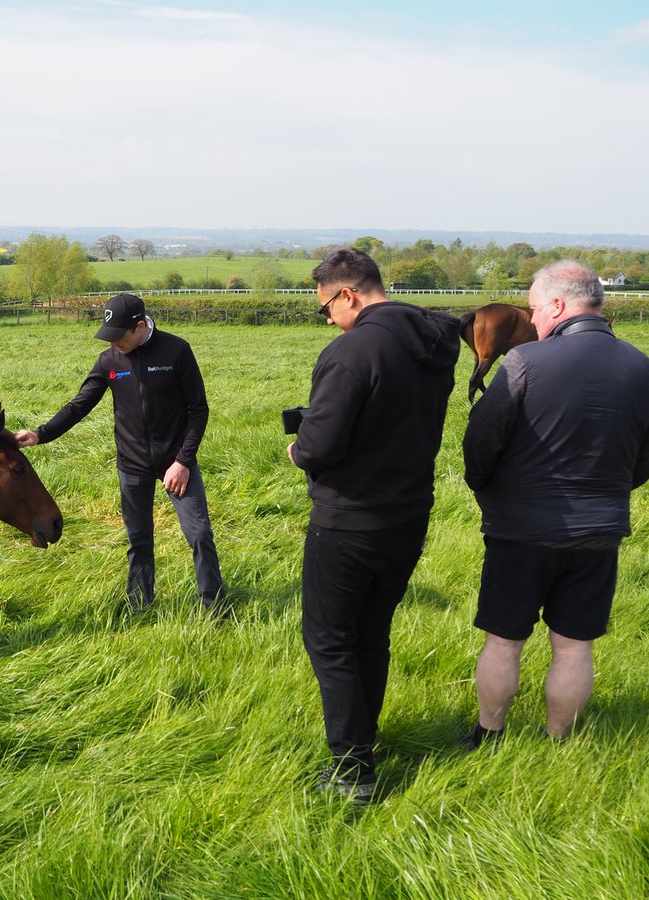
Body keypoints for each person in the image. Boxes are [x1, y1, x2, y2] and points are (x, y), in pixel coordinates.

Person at [462, 260, 649, 747]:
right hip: (599, 530)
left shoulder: (523, 363)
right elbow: (647, 459)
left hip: (519, 530)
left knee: (504, 639)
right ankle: (560, 743)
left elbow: (480, 445)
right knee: (575, 646)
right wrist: (606, 492)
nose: (531, 321)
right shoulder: (646, 370)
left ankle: (487, 735)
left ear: (557, 304)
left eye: (534, 309)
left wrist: (489, 491)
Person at [286, 248, 459, 803]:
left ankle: (352, 771)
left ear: (348, 294)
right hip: (408, 514)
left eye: (325, 308)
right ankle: (365, 741)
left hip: (349, 518)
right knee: (371, 634)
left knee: (330, 639)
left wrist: (296, 447)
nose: (327, 319)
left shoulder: (351, 351)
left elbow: (319, 447)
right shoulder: (437, 341)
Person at [15, 293, 226, 614]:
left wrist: (183, 461)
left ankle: (215, 607)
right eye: (108, 336)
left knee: (199, 534)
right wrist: (41, 433)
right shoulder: (109, 361)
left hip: (176, 462)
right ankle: (140, 606)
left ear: (140, 326)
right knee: (139, 540)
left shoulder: (176, 351)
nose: (113, 343)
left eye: (119, 336)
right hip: (132, 466)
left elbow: (199, 410)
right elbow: (79, 405)